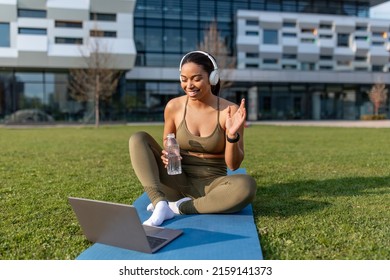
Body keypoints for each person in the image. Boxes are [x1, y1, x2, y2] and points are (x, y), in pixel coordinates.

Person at [129, 50, 257, 226]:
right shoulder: (174, 107)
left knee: (246, 185)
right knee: (138, 139)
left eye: (196, 78)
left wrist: (231, 135)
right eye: (184, 79)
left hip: (212, 185)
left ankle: (181, 207)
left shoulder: (230, 111)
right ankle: (160, 203)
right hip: (176, 181)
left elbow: (233, 165)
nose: (189, 85)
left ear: (213, 77)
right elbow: (168, 140)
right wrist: (168, 152)